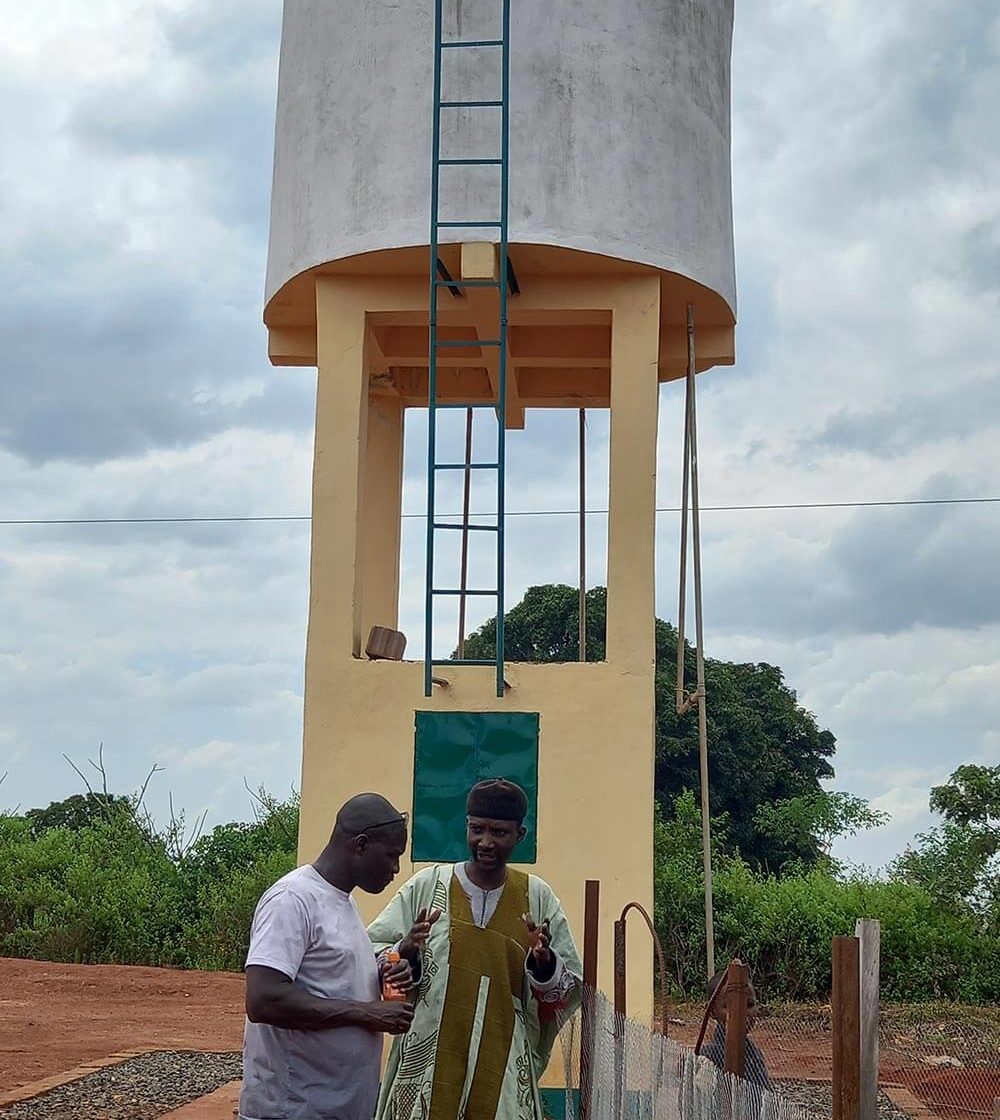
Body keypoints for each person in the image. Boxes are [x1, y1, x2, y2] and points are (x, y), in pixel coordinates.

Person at [368, 779, 582, 1120]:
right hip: (427, 1063)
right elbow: (374, 949)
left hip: (503, 1061)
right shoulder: (427, 886)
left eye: (499, 832)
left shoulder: (537, 897)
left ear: (520, 835)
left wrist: (543, 963)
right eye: (477, 829)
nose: (485, 842)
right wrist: (405, 951)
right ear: (466, 826)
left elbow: (568, 989)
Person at [239, 793, 416, 1120]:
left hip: (336, 1107)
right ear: (360, 845)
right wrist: (368, 1014)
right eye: (392, 855)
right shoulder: (292, 899)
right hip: (292, 1110)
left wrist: (386, 966)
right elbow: (264, 1000)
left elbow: (333, 976)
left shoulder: (343, 902)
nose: (396, 868)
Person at [699, 968, 771, 1090]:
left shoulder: (754, 1054)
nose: (741, 1013)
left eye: (749, 1004)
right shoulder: (707, 1059)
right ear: (712, 1011)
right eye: (729, 1006)